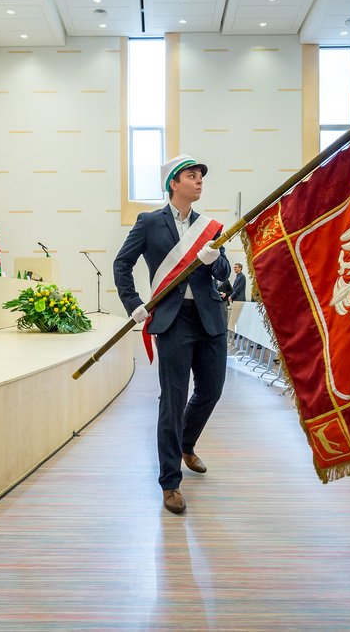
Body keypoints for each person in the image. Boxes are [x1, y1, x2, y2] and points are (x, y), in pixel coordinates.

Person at [113, 154, 230, 514]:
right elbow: (123, 263)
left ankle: (186, 442)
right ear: (173, 184)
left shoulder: (208, 227)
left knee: (211, 390)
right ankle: (170, 482)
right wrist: (133, 302)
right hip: (173, 321)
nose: (199, 182)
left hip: (210, 318)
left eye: (201, 177)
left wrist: (215, 260)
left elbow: (223, 272)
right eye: (192, 176)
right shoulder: (149, 222)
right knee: (174, 400)